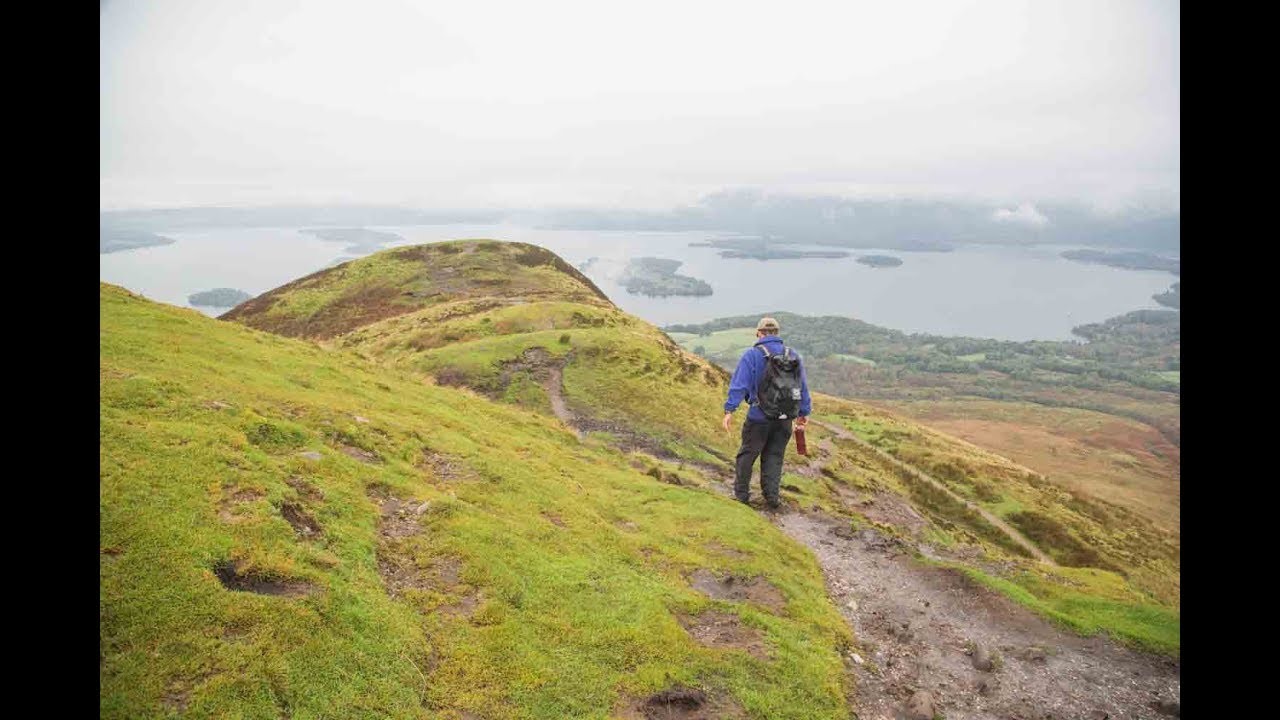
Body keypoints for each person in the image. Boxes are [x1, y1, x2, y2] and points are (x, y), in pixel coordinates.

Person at [721, 316, 811, 509]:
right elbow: (802, 386)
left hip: (759, 417)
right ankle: (772, 498)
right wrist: (804, 413)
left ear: (759, 333)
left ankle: (742, 496)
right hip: (785, 418)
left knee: (747, 454)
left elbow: (739, 385)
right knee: (774, 457)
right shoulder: (793, 355)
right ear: (777, 333)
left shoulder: (752, 355)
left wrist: (730, 410)